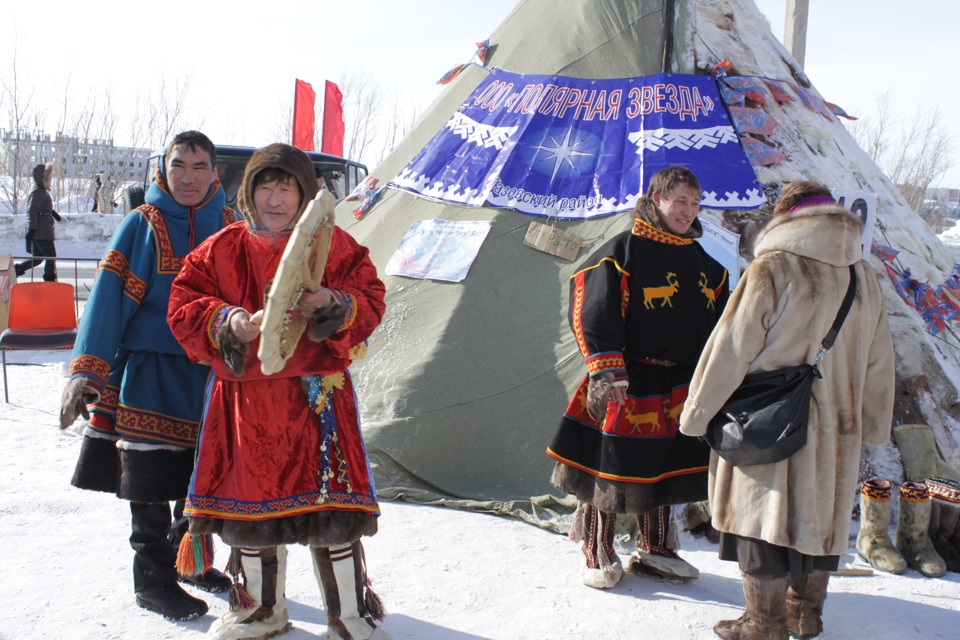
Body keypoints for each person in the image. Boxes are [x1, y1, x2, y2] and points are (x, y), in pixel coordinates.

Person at [167, 143, 389, 640]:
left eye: (285, 186)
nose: (274, 197)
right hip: (247, 404)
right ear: (248, 191)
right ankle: (260, 612)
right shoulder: (220, 249)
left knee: (332, 514)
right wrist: (229, 321)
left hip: (318, 400)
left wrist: (333, 301)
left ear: (305, 193)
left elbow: (371, 297)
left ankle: (349, 617)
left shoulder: (336, 246)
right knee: (251, 514)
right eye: (264, 185)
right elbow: (183, 304)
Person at [678, 181, 896, 640]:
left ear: (786, 219)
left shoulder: (772, 268)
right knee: (819, 520)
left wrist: (697, 412)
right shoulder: (864, 275)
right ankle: (805, 614)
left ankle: (764, 622)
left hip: (770, 423)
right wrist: (874, 425)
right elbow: (880, 360)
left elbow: (731, 349)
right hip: (839, 428)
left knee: (761, 521)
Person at [59, 131, 237, 621]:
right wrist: (87, 371)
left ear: (215, 173)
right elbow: (109, 298)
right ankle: (153, 581)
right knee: (153, 481)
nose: (188, 176)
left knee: (201, 479)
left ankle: (190, 561)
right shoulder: (143, 224)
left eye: (199, 166)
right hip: (149, 373)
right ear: (164, 167)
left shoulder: (232, 226)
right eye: (179, 164)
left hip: (211, 377)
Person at [546, 165, 729, 588]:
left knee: (664, 466)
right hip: (629, 379)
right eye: (679, 201)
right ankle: (597, 547)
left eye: (695, 203)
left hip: (681, 383)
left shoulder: (707, 265)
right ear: (656, 199)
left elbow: (723, 323)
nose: (688, 211)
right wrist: (608, 370)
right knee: (610, 467)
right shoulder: (621, 251)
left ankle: (656, 546)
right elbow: (594, 307)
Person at [15, 163, 61, 282]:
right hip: (42, 232)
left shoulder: (41, 191)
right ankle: (50, 281)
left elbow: (41, 208)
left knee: (37, 259)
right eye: (48, 175)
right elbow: (32, 211)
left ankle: (17, 270)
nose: (50, 178)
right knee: (50, 257)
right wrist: (32, 229)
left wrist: (53, 213)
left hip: (42, 230)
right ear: (42, 177)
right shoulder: (38, 192)